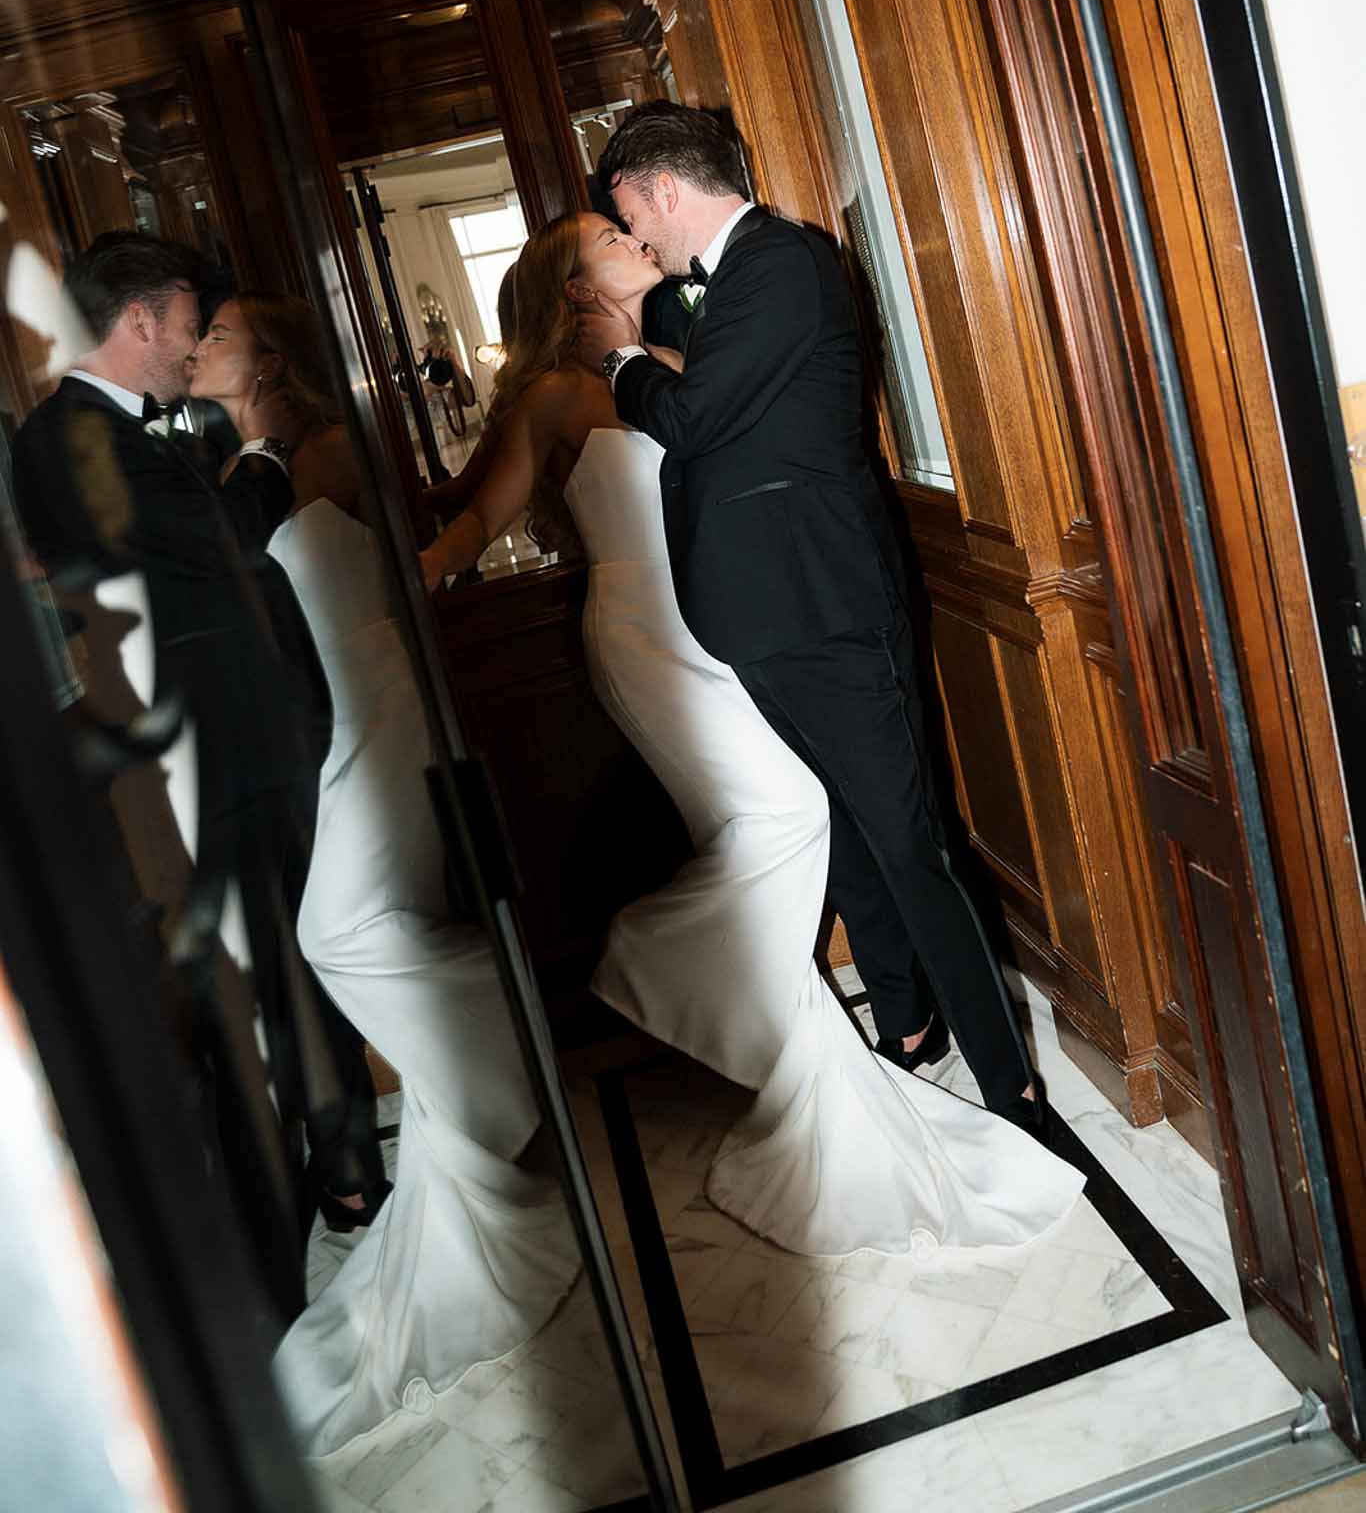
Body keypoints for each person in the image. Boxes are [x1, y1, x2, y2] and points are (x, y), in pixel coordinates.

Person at [422, 209, 1083, 1259]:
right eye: (609, 233)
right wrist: (400, 584)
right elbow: (478, 514)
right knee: (783, 811)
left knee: (809, 809)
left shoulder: (680, 360)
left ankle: (870, 1030)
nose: (634, 235)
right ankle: (653, 955)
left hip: (727, 626)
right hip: (642, 634)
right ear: (571, 281)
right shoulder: (553, 392)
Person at [574, 102, 1047, 1134]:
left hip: (823, 606)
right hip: (768, 612)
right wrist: (627, 320)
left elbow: (693, 418)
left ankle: (1010, 1082)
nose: (641, 240)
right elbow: (690, 348)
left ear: (661, 187)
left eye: (632, 216)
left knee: (906, 838)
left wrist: (617, 363)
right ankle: (910, 1021)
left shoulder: (781, 264)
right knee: (846, 828)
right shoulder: (726, 287)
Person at [188, 293, 578, 1457]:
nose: (198, 347)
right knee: (366, 931)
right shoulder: (237, 458)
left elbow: (412, 555)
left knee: (337, 933)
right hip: (342, 725)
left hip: (379, 716)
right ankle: (485, 1118)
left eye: (217, 334)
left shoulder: (327, 446)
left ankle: (500, 1076)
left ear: (269, 357)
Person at [10, 233, 383, 1310]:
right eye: (187, 324)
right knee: (252, 994)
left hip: (243, 740)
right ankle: (264, 1267)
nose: (192, 346)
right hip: (199, 756)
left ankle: (350, 1179)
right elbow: (217, 547)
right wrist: (265, 449)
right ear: (140, 320)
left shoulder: (126, 432)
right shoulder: (65, 440)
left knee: (297, 960)